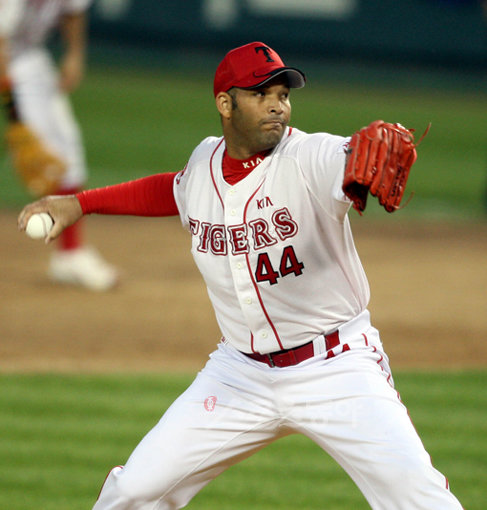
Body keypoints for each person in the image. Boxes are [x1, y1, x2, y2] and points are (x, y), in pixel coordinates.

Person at [18, 42, 463, 509]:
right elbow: (171, 190)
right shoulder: (204, 164)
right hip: (239, 375)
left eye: (283, 95)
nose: (277, 105)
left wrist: (363, 149)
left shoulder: (309, 157)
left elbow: (345, 156)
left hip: (337, 367)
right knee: (133, 492)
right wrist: (80, 203)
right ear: (225, 104)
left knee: (420, 498)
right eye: (260, 93)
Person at [1, 0, 118, 291]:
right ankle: (70, 254)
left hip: (28, 57)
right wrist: (14, 116)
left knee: (66, 153)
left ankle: (70, 253)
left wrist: (74, 55)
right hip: (8, 57)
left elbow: (73, 10)